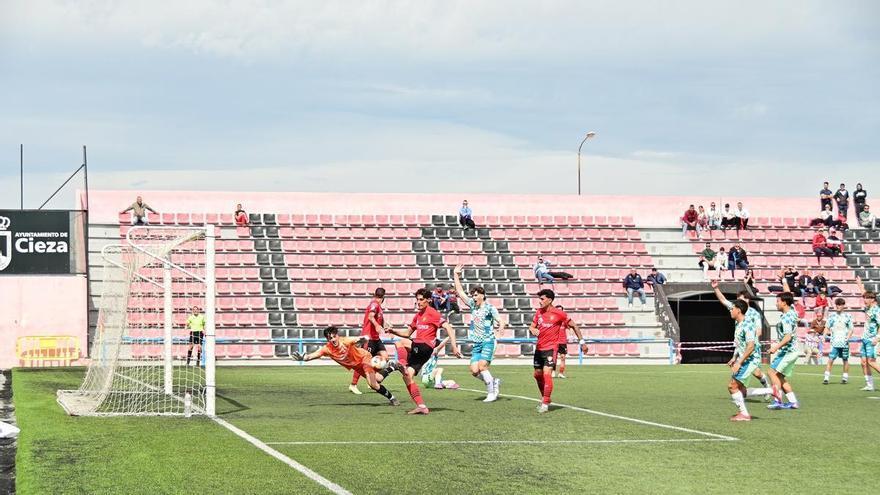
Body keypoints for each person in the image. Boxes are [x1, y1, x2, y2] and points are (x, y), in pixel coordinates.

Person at [382, 288, 453, 414]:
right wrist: (392, 331)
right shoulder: (417, 316)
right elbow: (407, 333)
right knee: (407, 376)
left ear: (429, 300)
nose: (418, 302)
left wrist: (454, 345)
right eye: (417, 300)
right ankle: (421, 406)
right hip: (420, 351)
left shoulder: (433, 313)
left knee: (399, 342)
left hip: (425, 346)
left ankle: (401, 364)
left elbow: (448, 327)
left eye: (421, 300)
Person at [293, 326, 400, 406]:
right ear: (327, 340)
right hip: (356, 366)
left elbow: (356, 339)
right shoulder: (327, 349)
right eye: (330, 338)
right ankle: (392, 367)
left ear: (337, 335)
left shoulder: (345, 341)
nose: (333, 340)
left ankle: (393, 399)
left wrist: (362, 339)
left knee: (372, 384)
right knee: (378, 379)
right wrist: (304, 358)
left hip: (364, 359)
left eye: (334, 336)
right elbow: (313, 355)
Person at [529, 289, 588, 413]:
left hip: (551, 348)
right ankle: (545, 397)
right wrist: (532, 330)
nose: (540, 302)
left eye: (542, 299)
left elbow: (574, 325)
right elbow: (532, 326)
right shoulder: (539, 312)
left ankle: (545, 403)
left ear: (549, 300)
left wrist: (582, 342)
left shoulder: (559, 313)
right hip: (539, 348)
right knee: (537, 375)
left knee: (547, 373)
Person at [711, 280, 773, 398]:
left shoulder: (754, 314)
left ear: (747, 300)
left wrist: (749, 340)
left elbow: (759, 331)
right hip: (741, 347)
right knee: (744, 378)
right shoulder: (736, 309)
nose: (736, 303)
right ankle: (762, 390)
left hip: (751, 348)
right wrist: (716, 288)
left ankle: (767, 389)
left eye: (741, 299)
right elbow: (723, 301)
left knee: (755, 373)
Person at [453, 265, 504, 402]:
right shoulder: (473, 306)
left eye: (476, 295)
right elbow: (460, 292)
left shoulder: (490, 308)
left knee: (482, 366)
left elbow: (500, 320)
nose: (473, 297)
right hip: (477, 343)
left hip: (488, 341)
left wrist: (500, 329)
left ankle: (491, 393)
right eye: (473, 295)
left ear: (482, 295)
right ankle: (494, 381)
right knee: (474, 371)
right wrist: (456, 275)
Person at [349, 288, 389, 395]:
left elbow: (379, 319)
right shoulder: (374, 304)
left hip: (376, 338)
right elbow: (371, 317)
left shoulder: (379, 307)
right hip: (369, 338)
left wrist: (385, 325)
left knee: (385, 358)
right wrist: (376, 326)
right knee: (363, 362)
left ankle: (372, 380)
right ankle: (353, 385)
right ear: (383, 297)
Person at [727, 299, 761, 421]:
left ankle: (744, 414)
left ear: (739, 310)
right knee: (741, 389)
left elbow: (750, 346)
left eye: (732, 308)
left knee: (732, 386)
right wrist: (734, 358)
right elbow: (740, 345)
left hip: (750, 360)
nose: (730, 310)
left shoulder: (747, 325)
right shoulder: (739, 324)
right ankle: (771, 390)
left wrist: (739, 362)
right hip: (744, 359)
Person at [766, 292, 801, 410]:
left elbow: (787, 337)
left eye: (778, 301)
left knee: (771, 372)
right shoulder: (792, 312)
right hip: (792, 350)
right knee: (779, 376)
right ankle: (793, 402)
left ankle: (778, 400)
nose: (776, 304)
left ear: (784, 302)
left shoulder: (786, 317)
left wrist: (775, 347)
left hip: (788, 351)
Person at [552, 305, 589, 379]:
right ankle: (552, 372)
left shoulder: (564, 320)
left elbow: (571, 328)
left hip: (562, 341)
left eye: (561, 310)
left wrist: (571, 336)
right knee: (553, 358)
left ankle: (561, 373)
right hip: (554, 341)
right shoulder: (552, 320)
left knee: (563, 357)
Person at [856, 277, 880, 391]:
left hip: (872, 339)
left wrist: (878, 338)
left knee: (871, 362)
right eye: (864, 298)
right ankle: (870, 385)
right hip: (865, 338)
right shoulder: (867, 307)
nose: (864, 300)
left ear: (872, 299)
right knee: (863, 362)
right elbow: (863, 293)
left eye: (867, 298)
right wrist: (860, 285)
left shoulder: (876, 310)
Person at [823, 298, 853, 384]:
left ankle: (845, 378)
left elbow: (851, 329)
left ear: (843, 305)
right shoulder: (832, 316)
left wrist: (848, 337)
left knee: (845, 359)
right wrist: (824, 336)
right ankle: (826, 378)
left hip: (844, 342)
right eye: (837, 304)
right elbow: (827, 327)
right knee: (830, 359)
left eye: (840, 304)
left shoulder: (848, 316)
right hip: (835, 342)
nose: (838, 306)